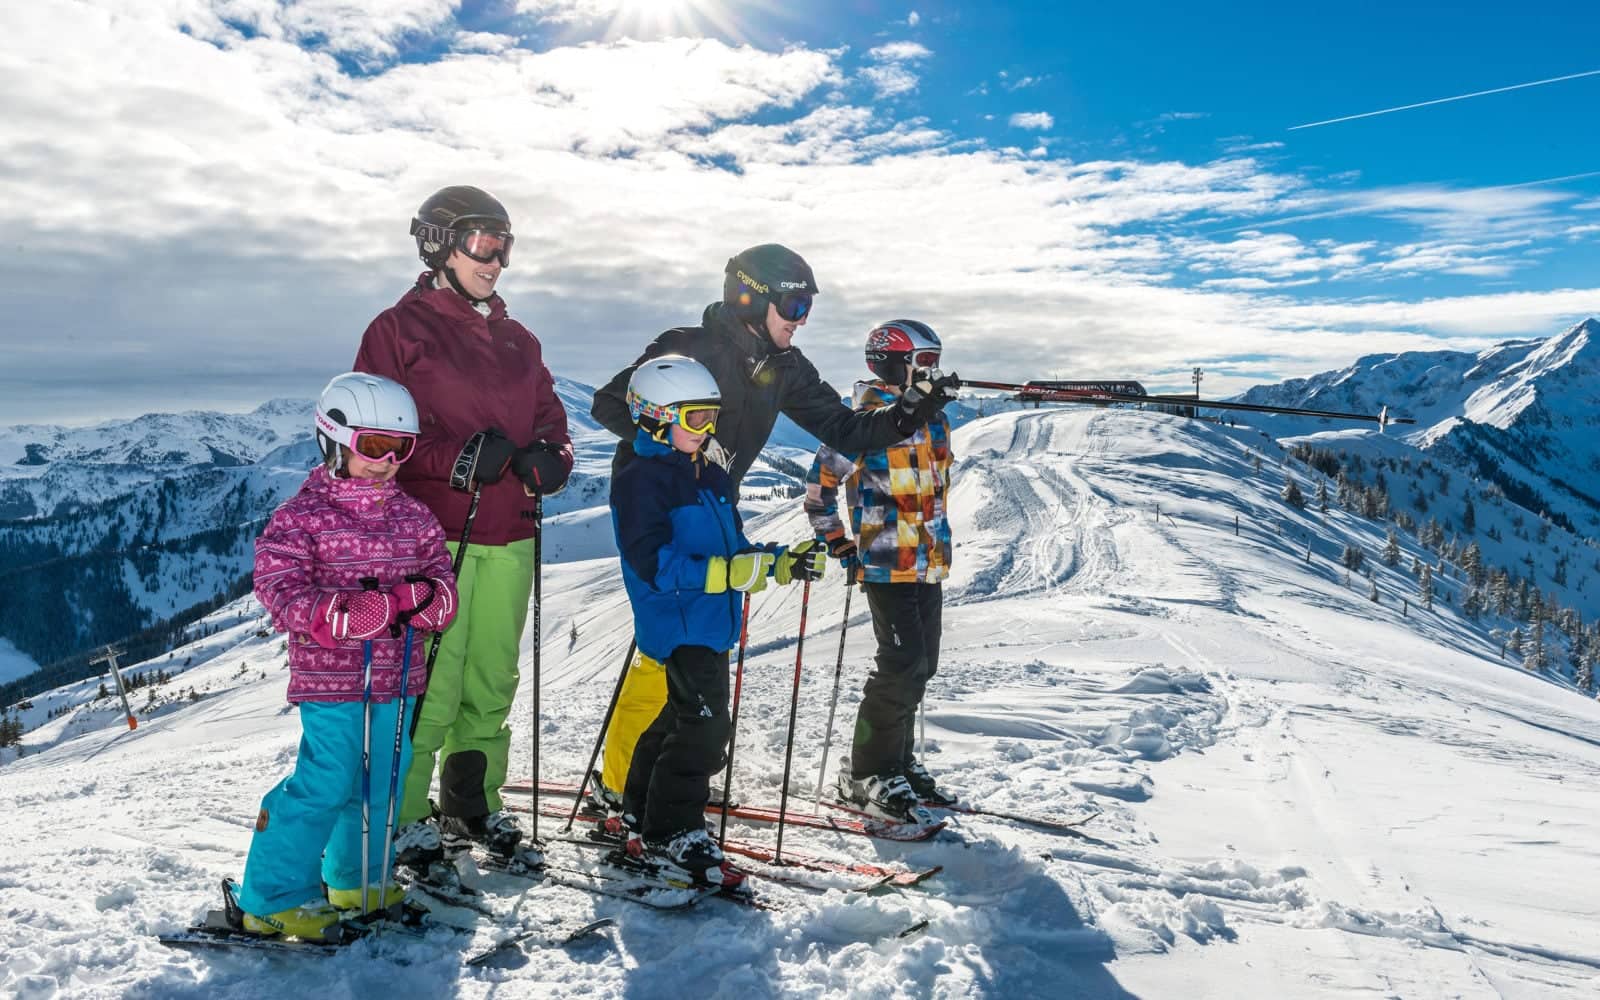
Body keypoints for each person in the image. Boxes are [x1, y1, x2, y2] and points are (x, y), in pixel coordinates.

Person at [587, 244, 958, 816]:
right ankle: (618, 784)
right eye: (793, 303)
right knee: (663, 649)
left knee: (701, 646)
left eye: (807, 306)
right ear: (750, 297)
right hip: (659, 506)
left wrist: (909, 410)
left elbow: (845, 428)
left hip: (715, 508)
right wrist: (683, 448)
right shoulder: (688, 346)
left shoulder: (785, 367)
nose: (800, 318)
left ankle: (659, 773)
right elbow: (609, 405)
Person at [353, 185, 572, 869]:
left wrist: (551, 461)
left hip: (510, 533)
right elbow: (372, 439)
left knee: (490, 678)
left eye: (505, 244)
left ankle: (473, 803)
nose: (496, 258)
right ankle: (408, 811)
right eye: (482, 241)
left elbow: (553, 425)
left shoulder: (519, 339)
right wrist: (458, 461)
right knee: (431, 682)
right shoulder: (398, 331)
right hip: (433, 537)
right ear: (439, 244)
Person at [238, 372, 459, 937]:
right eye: (373, 446)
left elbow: (439, 577)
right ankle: (270, 894)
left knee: (384, 781)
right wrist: (331, 613)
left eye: (399, 449)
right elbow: (278, 586)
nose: (386, 461)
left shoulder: (413, 516)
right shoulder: (303, 517)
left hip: (397, 677)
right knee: (326, 781)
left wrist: (432, 601)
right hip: (333, 680)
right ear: (333, 441)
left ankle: (356, 881)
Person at [610, 355, 824, 885]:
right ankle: (672, 830)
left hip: (707, 621)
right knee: (705, 728)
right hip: (677, 622)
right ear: (656, 416)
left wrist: (780, 562)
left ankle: (638, 813)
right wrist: (727, 572)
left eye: (711, 418)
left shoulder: (709, 475)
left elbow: (736, 550)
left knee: (677, 720)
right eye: (696, 419)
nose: (707, 430)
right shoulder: (641, 479)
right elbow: (652, 564)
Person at [805, 320, 959, 825]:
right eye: (924, 362)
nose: (931, 371)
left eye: (936, 361)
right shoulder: (862, 424)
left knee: (923, 664)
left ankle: (896, 761)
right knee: (899, 663)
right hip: (885, 563)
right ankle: (866, 771)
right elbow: (818, 492)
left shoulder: (935, 420)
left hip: (928, 563)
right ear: (894, 363)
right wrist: (839, 543)